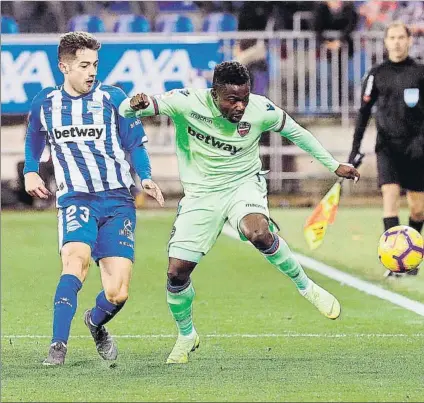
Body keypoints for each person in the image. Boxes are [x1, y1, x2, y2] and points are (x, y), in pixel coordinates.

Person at [119, 61, 360, 364]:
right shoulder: (185, 102)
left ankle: (306, 287)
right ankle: (186, 334)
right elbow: (128, 112)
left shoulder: (260, 110)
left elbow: (298, 133)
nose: (240, 106)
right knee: (176, 272)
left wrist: (333, 164)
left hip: (242, 186)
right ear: (214, 93)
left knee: (258, 232)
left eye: (244, 98)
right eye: (232, 99)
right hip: (201, 195)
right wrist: (133, 103)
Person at [24, 31, 164, 366]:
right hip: (75, 199)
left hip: (117, 201)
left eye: (95, 65)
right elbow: (34, 138)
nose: (91, 71)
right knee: (75, 262)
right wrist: (31, 170)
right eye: (84, 65)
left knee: (118, 292)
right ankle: (58, 346)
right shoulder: (46, 103)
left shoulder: (113, 98)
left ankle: (95, 322)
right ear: (64, 66)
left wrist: (144, 176)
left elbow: (134, 144)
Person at [348, 21, 424, 277]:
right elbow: (363, 113)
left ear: (409, 40)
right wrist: (355, 149)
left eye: (401, 37)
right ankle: (395, 264)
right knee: (389, 202)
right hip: (387, 148)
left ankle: (411, 258)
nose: (396, 42)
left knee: (418, 209)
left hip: (416, 149)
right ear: (386, 42)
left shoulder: (420, 72)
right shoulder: (376, 74)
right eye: (391, 37)